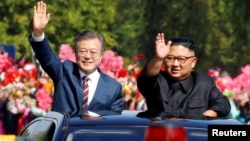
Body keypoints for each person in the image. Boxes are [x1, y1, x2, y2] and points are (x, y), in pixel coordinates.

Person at [28, 1, 123, 117]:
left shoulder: (113, 87)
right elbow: (47, 58)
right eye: (83, 51)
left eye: (93, 52)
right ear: (75, 53)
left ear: (101, 56)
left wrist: (94, 115)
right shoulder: (64, 72)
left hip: (96, 135)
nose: (87, 56)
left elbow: (115, 115)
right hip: (63, 134)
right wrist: (38, 33)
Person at [137, 33, 231, 119]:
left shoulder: (204, 83)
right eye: (170, 58)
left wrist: (207, 116)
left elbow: (223, 103)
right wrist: (158, 58)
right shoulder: (157, 81)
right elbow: (147, 77)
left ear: (193, 62)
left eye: (181, 59)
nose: (175, 64)